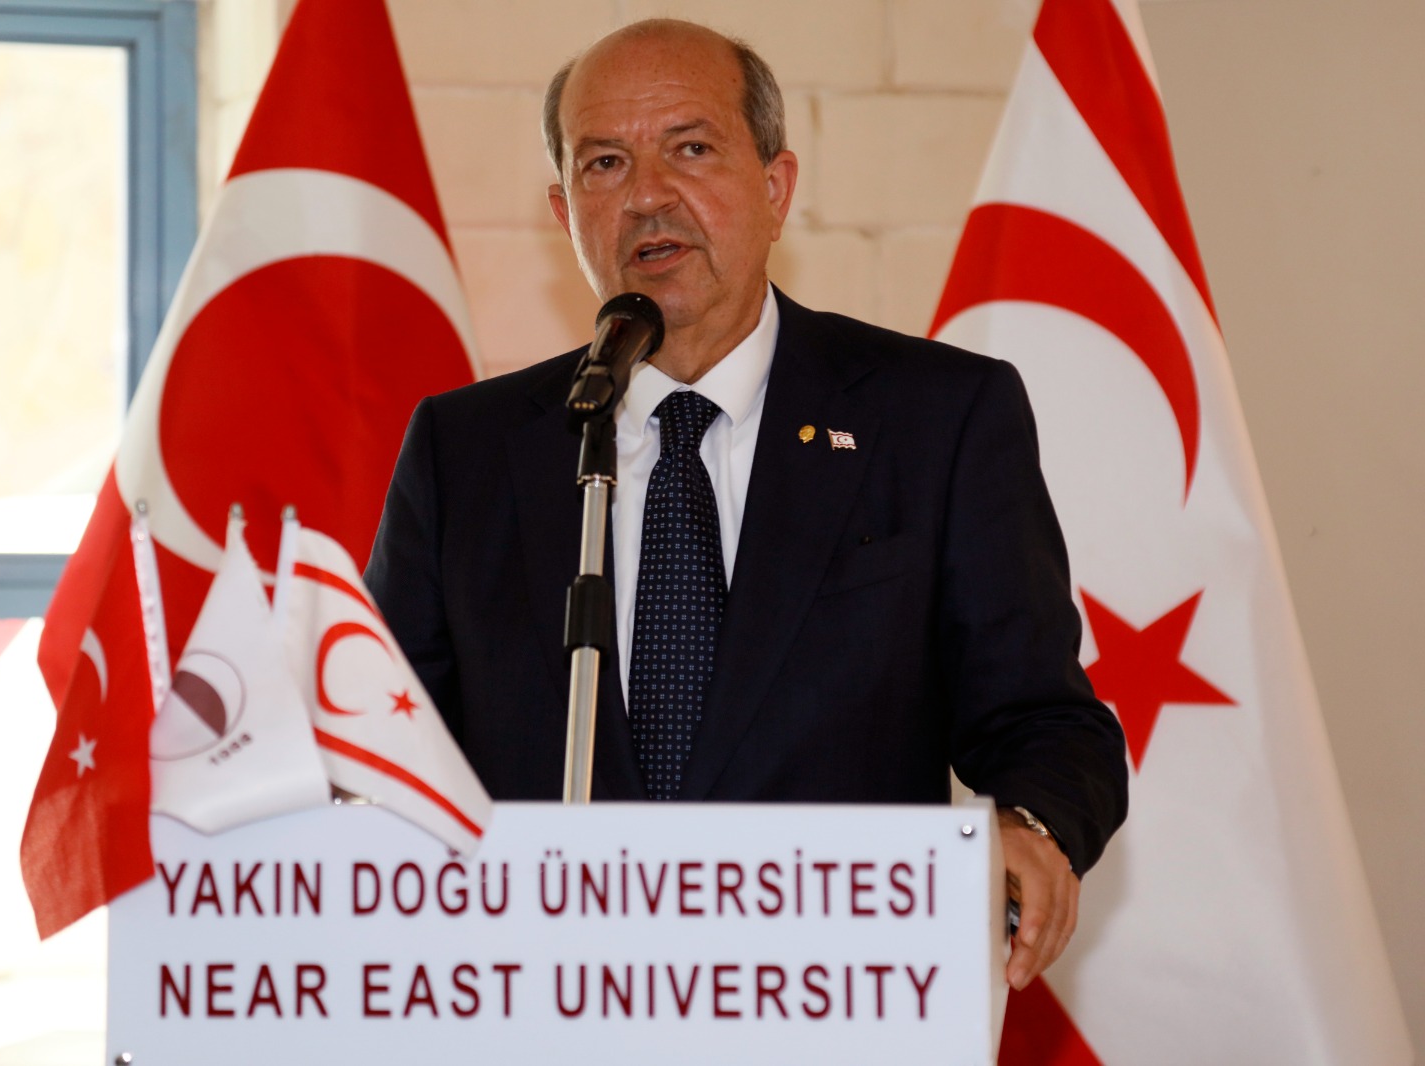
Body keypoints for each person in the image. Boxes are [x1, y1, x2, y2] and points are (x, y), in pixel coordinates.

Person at [365, 18, 1128, 991]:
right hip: (549, 1003)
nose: (648, 195)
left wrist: (1029, 824)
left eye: (690, 148)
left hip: (835, 998)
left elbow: (1044, 723)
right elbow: (382, 750)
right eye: (605, 163)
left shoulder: (933, 419)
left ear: (776, 187)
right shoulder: (464, 451)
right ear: (564, 210)